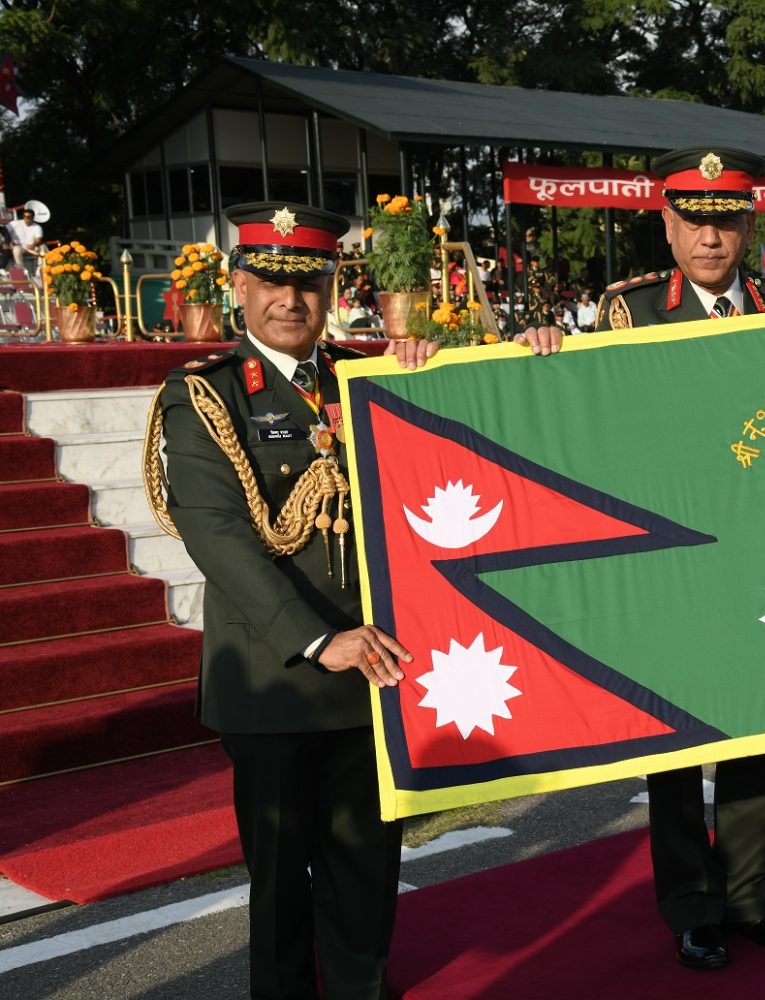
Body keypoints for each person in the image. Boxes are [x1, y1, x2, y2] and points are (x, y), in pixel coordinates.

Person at [151, 200, 562, 1000]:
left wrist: (529, 355)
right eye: (271, 282)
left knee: (366, 866)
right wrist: (317, 640)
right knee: (281, 877)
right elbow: (217, 534)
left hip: (378, 665)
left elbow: (470, 444)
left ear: (331, 287)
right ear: (238, 285)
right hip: (275, 676)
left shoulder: (366, 374)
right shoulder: (205, 395)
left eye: (308, 283)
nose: (290, 300)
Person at [596, 146, 765, 971]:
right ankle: (690, 904)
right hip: (669, 561)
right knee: (674, 748)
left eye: (726, 221)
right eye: (694, 221)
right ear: (667, 224)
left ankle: (747, 894)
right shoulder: (629, 311)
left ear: (749, 226)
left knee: (763, 733)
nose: (710, 238)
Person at [6, 207, 44, 278]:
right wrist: (8, 242)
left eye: (28, 217)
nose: (26, 218)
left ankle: (40, 270)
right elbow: (4, 231)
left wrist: (33, 244)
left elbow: (38, 239)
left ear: (33, 218)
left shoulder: (37, 227)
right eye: (24, 216)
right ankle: (21, 270)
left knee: (43, 248)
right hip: (18, 246)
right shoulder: (15, 223)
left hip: (32, 246)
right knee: (17, 249)